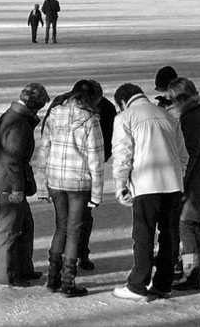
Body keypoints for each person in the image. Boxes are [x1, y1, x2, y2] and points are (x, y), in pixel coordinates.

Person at [110, 83, 188, 302]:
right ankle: (163, 284)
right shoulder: (168, 116)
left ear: (122, 102)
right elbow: (183, 155)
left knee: (144, 235)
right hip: (172, 184)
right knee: (169, 235)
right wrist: (177, 175)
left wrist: (121, 185)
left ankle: (137, 285)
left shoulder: (125, 118)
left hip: (145, 184)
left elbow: (123, 155)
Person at [37, 80, 104, 297]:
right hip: (78, 182)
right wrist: (96, 194)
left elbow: (44, 148)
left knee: (61, 227)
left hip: (55, 179)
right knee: (74, 232)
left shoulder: (55, 113)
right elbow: (95, 158)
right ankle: (67, 282)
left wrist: (42, 185)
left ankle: (52, 278)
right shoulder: (91, 119)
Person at [0, 83, 49, 287]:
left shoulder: (16, 118)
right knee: (11, 228)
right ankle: (9, 275)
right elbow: (11, 160)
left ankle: (23, 267)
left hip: (10, 179)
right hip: (10, 183)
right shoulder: (18, 124)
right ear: (33, 105)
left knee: (25, 224)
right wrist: (17, 190)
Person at [166, 77, 200, 291]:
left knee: (187, 226)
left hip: (193, 181)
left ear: (182, 98)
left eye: (172, 99)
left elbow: (191, 152)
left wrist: (180, 181)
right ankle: (195, 269)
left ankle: (192, 274)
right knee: (192, 227)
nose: (170, 103)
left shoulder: (194, 117)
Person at [78, 80, 116, 271]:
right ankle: (66, 258)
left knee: (83, 215)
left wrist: (100, 160)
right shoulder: (63, 105)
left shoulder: (107, 109)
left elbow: (110, 141)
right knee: (69, 219)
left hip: (88, 169)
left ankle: (81, 253)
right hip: (65, 169)